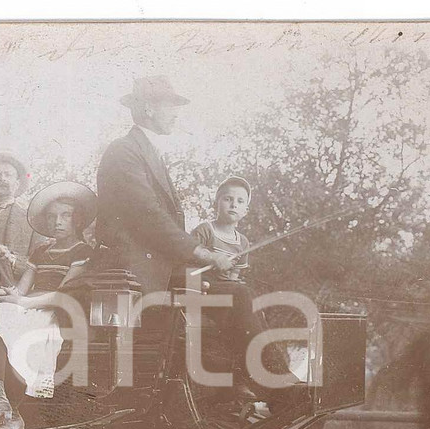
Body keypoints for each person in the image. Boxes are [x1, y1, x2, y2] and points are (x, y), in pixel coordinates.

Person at [0, 183, 100, 429]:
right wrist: (9, 295)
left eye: (65, 215)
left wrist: (23, 304)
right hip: (28, 306)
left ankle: (12, 413)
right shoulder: (41, 251)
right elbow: (23, 287)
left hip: (53, 310)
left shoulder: (82, 252)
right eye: (51, 216)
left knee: (18, 330)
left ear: (78, 219)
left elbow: (65, 292)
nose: (57, 222)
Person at [192, 176, 299, 400]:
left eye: (240, 201)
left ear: (246, 210)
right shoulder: (205, 230)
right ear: (217, 202)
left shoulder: (242, 242)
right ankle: (275, 379)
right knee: (242, 296)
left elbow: (235, 275)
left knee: (252, 308)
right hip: (203, 289)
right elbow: (188, 261)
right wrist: (213, 260)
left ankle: (258, 379)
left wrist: (233, 277)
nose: (233, 205)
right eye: (228, 199)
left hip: (228, 293)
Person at [96, 76, 204, 294]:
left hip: (157, 266)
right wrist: (199, 251)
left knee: (230, 288)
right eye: (171, 106)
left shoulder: (147, 150)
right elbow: (147, 213)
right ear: (149, 109)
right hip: (133, 273)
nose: (176, 114)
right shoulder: (124, 150)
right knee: (236, 296)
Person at [0, 152, 46, 260]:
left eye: (8, 175)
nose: (2, 179)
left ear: (17, 184)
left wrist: (12, 260)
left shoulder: (32, 218)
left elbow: (39, 262)